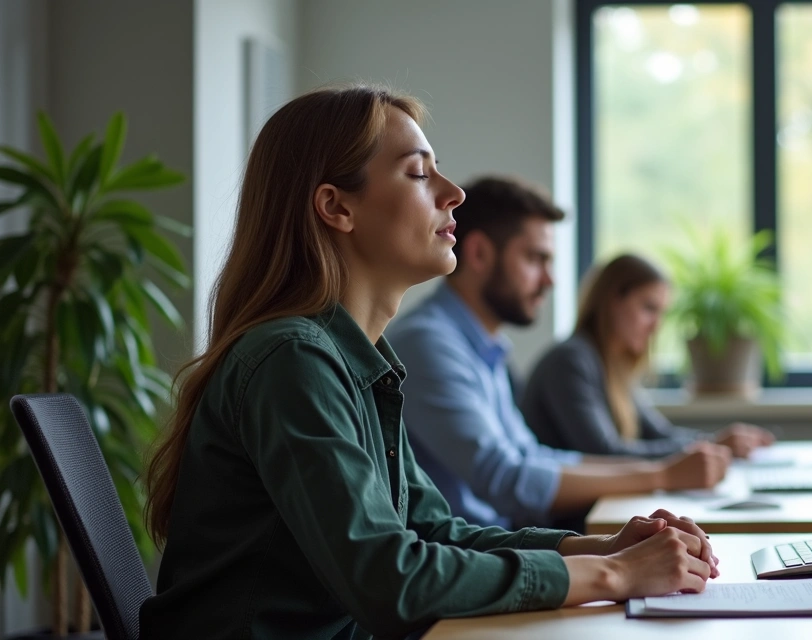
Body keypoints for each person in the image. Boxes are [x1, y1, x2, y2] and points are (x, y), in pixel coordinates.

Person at [139, 85, 720, 640]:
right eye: (419, 173)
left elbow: (434, 531)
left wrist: (604, 547)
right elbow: (388, 580)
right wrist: (615, 577)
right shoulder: (293, 359)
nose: (453, 192)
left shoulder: (357, 360)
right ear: (336, 207)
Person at [385, 177, 732, 531]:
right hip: (467, 557)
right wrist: (662, 475)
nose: (549, 280)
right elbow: (503, 479)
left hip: (503, 542)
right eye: (536, 259)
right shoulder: (427, 343)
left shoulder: (484, 349)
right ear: (478, 254)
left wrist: (664, 472)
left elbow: (534, 457)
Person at [522, 253, 776, 459]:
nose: (656, 326)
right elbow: (605, 454)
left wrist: (716, 444)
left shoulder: (611, 365)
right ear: (612, 301)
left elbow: (658, 433)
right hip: (564, 521)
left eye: (661, 313)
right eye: (649, 308)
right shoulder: (570, 361)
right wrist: (712, 448)